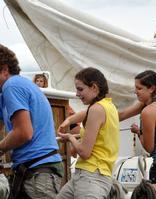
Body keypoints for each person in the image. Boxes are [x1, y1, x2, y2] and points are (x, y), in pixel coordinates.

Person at [0, 44, 62, 198]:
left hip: (38, 174)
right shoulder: (15, 89)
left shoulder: (12, 86)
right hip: (33, 171)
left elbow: (24, 132)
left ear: (4, 70)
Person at [56, 67, 120, 198]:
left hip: (92, 177)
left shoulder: (96, 110)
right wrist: (69, 120)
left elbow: (85, 152)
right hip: (89, 175)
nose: (77, 94)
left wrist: (70, 137)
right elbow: (86, 114)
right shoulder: (108, 106)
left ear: (94, 88)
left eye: (80, 89)